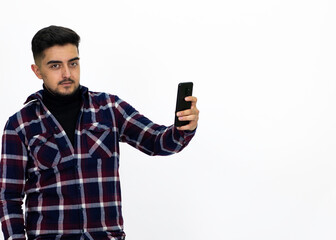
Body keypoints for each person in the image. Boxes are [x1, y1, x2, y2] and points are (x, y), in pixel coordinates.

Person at [0, 25, 199, 240]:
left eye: (73, 63)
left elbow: (157, 142)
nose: (67, 73)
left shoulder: (109, 108)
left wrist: (183, 127)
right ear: (37, 70)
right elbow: (8, 197)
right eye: (55, 65)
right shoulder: (19, 125)